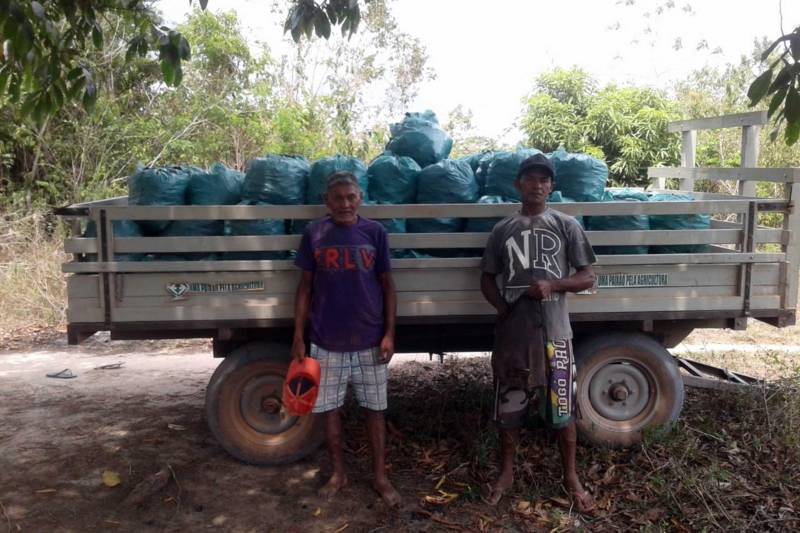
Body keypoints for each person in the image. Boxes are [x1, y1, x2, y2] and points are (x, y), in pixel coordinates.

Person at [479, 153, 597, 513]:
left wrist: (554, 284)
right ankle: (507, 474)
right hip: (515, 337)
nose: (538, 185)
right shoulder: (503, 230)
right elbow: (486, 278)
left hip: (556, 334)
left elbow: (588, 277)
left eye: (544, 180)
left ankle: (571, 478)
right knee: (509, 408)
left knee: (563, 408)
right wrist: (503, 309)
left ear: (552, 186)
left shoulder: (566, 225)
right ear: (519, 184)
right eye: (531, 178)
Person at [291, 171, 401, 507]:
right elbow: (305, 288)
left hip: (370, 340)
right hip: (325, 341)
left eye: (351, 197)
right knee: (329, 411)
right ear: (327, 201)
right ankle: (338, 473)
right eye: (337, 198)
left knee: (375, 411)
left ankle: (380, 477)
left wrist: (389, 333)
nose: (345, 204)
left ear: (360, 198)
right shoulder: (315, 233)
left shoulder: (375, 233)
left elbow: (388, 286)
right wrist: (298, 336)